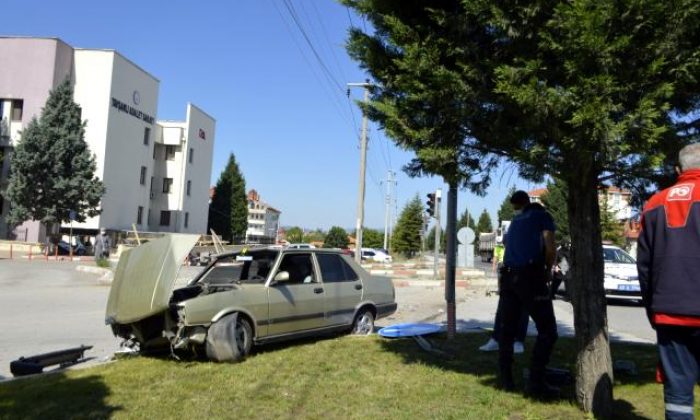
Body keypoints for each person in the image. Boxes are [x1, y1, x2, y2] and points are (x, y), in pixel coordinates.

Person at [637, 143, 700, 420]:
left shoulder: (654, 204)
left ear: (678, 170)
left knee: (678, 396)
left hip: (670, 313)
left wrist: (653, 309)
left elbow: (644, 266)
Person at [497, 190, 558, 398]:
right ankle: (536, 382)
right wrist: (548, 269)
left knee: (508, 331)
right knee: (548, 331)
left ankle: (505, 379)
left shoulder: (516, 220)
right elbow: (550, 247)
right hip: (530, 277)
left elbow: (507, 246)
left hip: (508, 277)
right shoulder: (543, 217)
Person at [479, 241, 529, 354]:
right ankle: (496, 339)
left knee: (523, 310)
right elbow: (506, 244)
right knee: (502, 308)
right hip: (508, 270)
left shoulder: (537, 229)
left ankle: (518, 341)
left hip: (527, 271)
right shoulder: (515, 228)